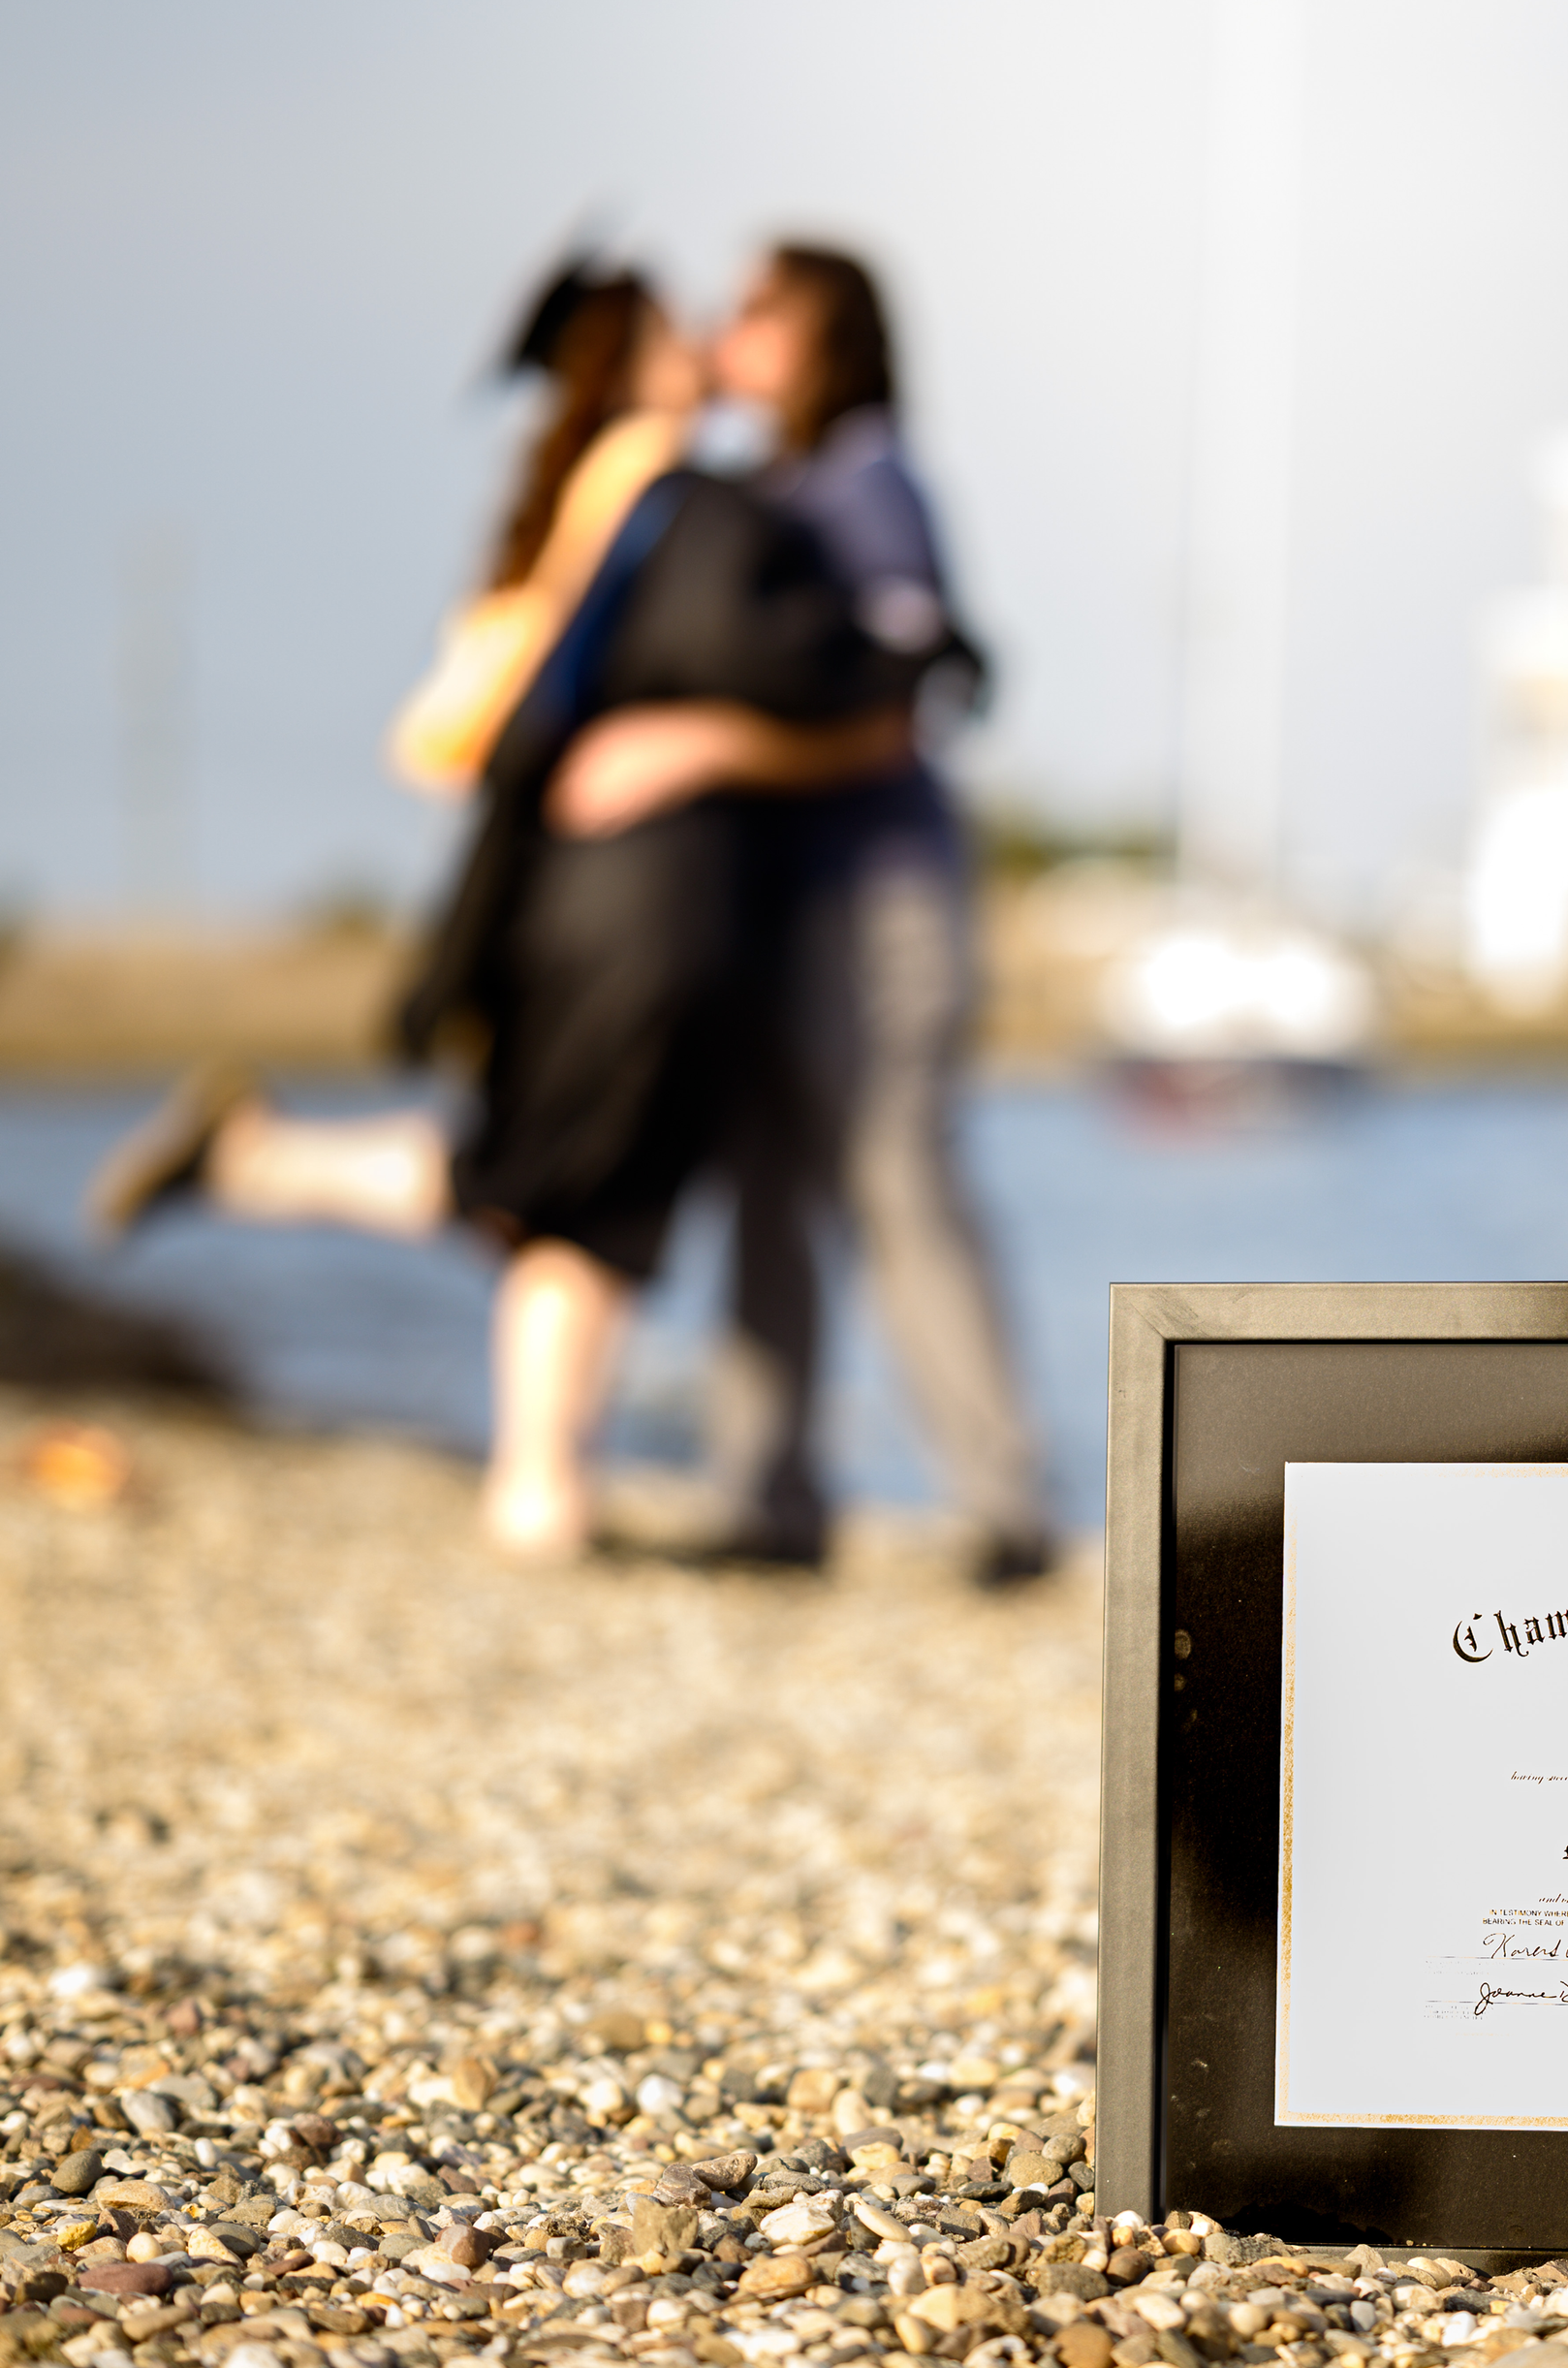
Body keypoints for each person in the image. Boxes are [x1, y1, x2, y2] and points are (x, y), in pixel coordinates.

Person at [88, 256, 909, 1561]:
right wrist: (888, 658)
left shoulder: (571, 515)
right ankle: (536, 1483)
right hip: (644, 900)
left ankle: (264, 1169)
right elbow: (782, 662)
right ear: (637, 363)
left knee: (539, 1170)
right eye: (680, 328)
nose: (707, 338)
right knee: (588, 1189)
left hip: (553, 899)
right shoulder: (684, 505)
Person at [552, 245, 1053, 1584]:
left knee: (898, 1177)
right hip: (767, 905)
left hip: (877, 899)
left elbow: (896, 711)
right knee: (766, 1190)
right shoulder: (749, 493)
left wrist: (702, 748)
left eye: (763, 308)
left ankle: (1004, 1506)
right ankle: (771, 1496)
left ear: (834, 337)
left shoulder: (866, 485)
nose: (731, 328)